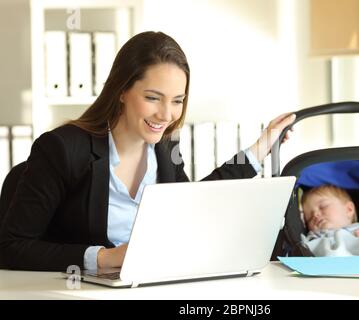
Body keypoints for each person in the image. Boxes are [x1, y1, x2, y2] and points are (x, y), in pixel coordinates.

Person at [0, 31, 296, 271]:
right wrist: (104, 257)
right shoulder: (63, 148)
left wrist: (259, 148)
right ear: (122, 90)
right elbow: (11, 247)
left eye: (177, 100)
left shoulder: (166, 149)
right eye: (153, 98)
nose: (166, 115)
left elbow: (197, 204)